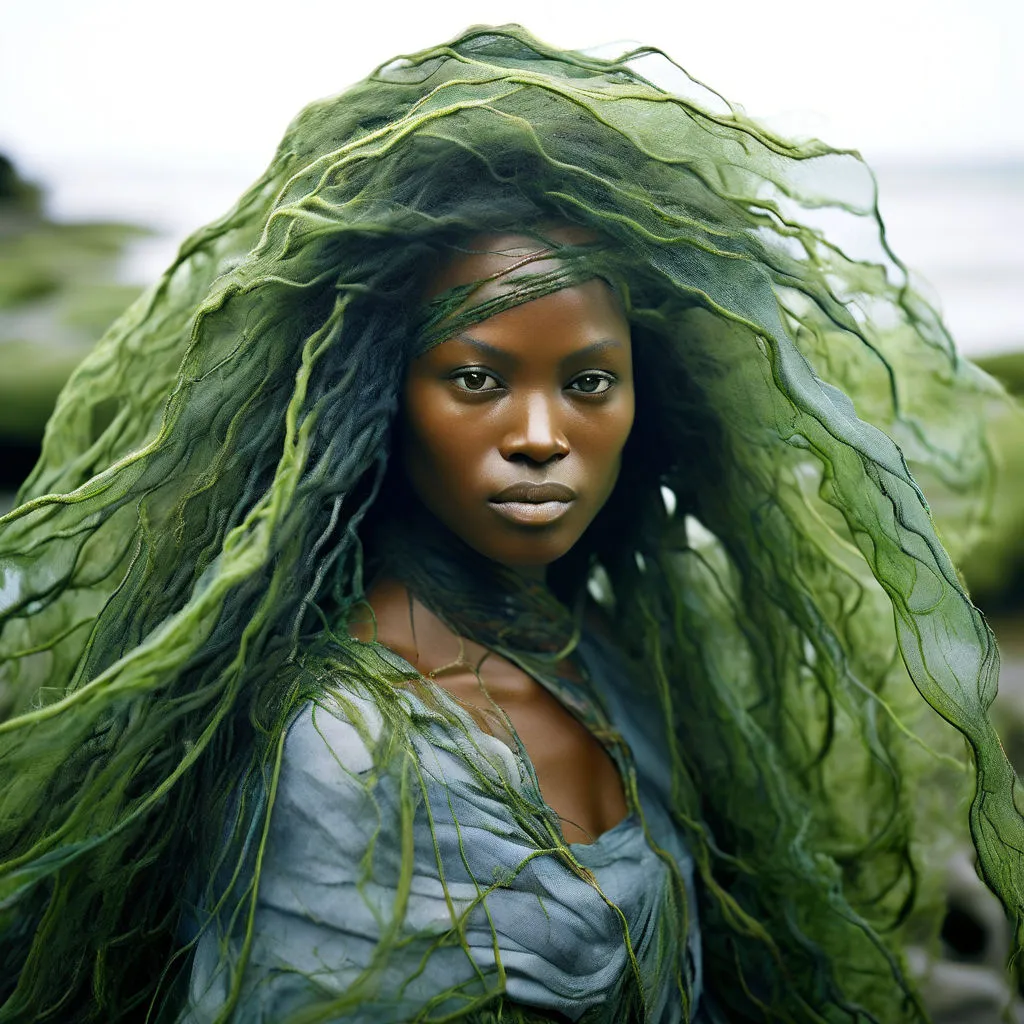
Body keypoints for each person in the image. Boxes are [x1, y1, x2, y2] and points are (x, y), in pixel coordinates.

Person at [0, 24, 1020, 1024]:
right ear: (380, 398)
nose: (540, 435)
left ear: (643, 401)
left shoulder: (603, 664)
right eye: (476, 378)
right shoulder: (345, 754)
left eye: (588, 381)